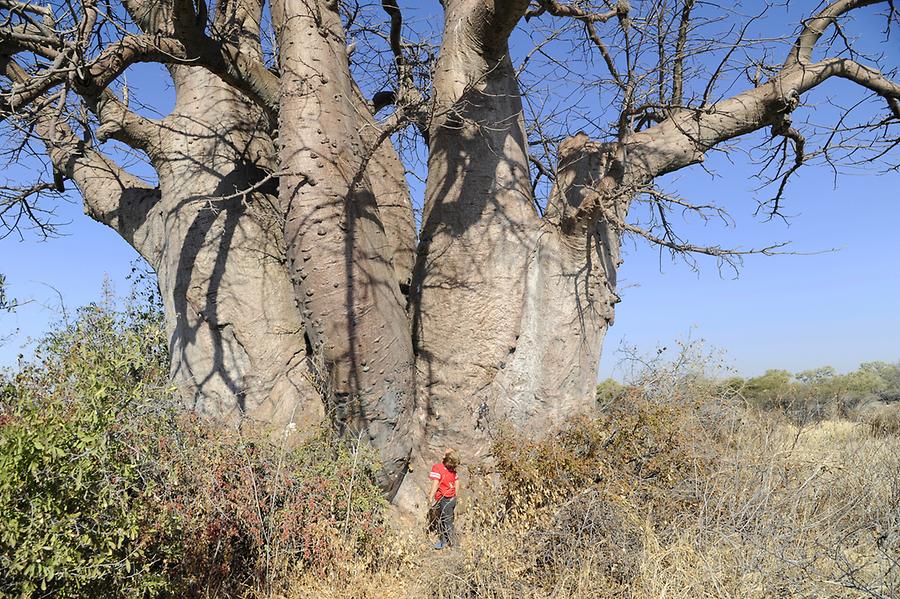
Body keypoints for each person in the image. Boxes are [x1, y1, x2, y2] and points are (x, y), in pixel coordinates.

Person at [428, 449, 461, 550]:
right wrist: (455, 495)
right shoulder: (452, 470)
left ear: (445, 458)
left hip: (444, 499)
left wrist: (430, 496)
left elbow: (435, 483)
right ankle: (443, 541)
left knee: (447, 521)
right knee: (443, 519)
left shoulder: (438, 468)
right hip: (451, 499)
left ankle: (454, 545)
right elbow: (457, 483)